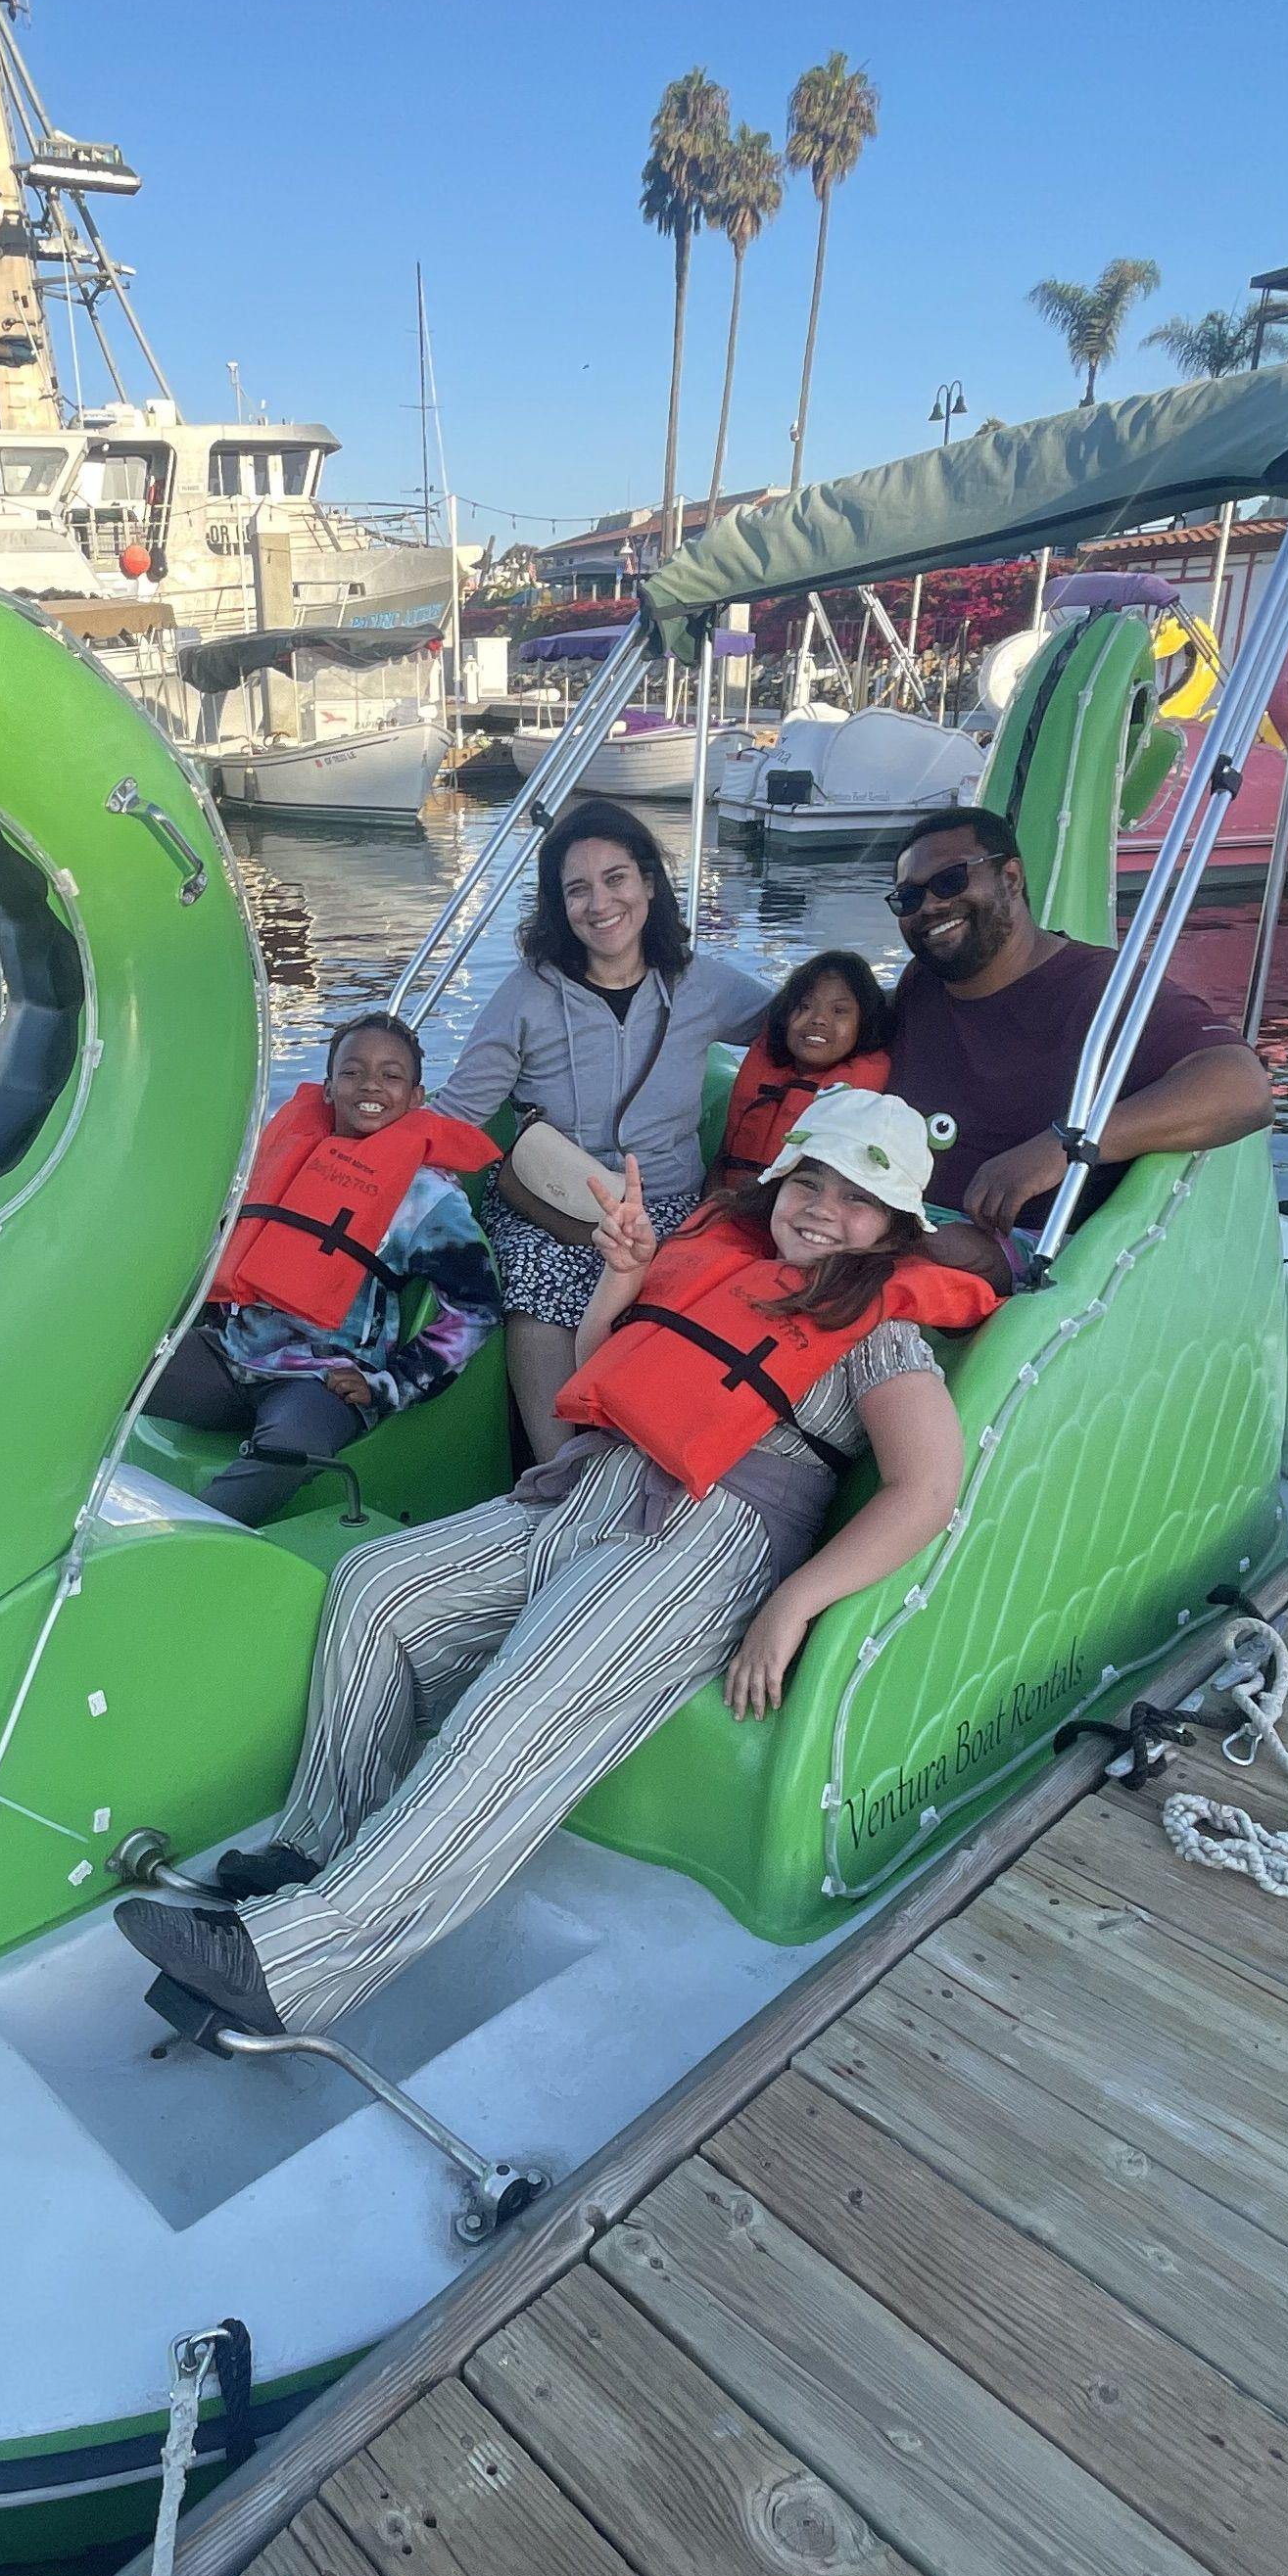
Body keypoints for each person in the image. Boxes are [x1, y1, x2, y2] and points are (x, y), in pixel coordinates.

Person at [116, 1092, 997, 2037]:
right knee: (378, 1589)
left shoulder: (882, 1330)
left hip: (705, 1541)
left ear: (894, 1226)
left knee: (516, 1706)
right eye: (808, 1181)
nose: (822, 1208)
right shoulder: (721, 1263)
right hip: (590, 1489)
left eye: (855, 1198)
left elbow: (925, 1490)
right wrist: (621, 1277)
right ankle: (317, 1846)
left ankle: (299, 1963)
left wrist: (793, 1603)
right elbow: (605, 1364)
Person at [440, 797, 772, 1465]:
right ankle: (556, 1475)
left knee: (700, 1289)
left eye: (616, 878)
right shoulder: (528, 995)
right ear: (559, 907)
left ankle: (655, 1469)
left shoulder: (700, 984)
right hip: (555, 1205)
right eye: (577, 889)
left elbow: (799, 1028)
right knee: (539, 1284)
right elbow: (457, 1112)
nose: (600, 903)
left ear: (648, 883)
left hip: (668, 1200)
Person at [876, 805, 1273, 1278]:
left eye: (950, 881)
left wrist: (1067, 1144)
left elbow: (1244, 1089)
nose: (930, 906)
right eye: (908, 898)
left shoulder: (1100, 988)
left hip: (1023, 1260)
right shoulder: (921, 986)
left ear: (1011, 878)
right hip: (897, 1224)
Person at [148, 1015, 499, 1523]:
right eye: (352, 1072)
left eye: (391, 1076)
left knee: (291, 1449)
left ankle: (185, 1546)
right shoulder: (284, 1157)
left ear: (417, 1097)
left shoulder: (429, 1198)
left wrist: (391, 1382)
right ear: (329, 1086)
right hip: (230, 1357)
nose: (371, 1085)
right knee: (101, 1369)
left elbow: (476, 1310)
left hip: (318, 1382)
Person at [710, 950, 896, 1186]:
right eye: (805, 1006)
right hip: (731, 1205)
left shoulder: (870, 1103)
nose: (818, 1019)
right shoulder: (763, 1072)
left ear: (865, 1023)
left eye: (839, 1011)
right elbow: (722, 1159)